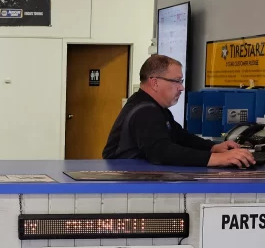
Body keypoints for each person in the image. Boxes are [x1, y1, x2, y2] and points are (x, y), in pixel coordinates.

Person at [103, 55, 254, 168]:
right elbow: (161, 152)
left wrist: (212, 147)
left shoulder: (154, 107)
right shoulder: (145, 111)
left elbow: (179, 136)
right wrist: (217, 159)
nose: (181, 88)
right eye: (176, 81)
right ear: (155, 82)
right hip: (127, 185)